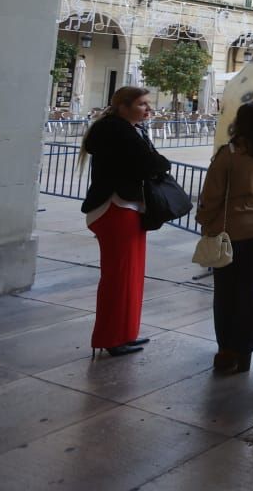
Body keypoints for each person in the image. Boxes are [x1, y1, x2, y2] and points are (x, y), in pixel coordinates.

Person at [79, 85, 170, 357]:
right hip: (116, 207)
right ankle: (111, 336)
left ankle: (124, 333)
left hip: (125, 207)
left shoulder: (121, 129)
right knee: (119, 278)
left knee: (129, 275)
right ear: (123, 106)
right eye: (142, 104)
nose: (148, 109)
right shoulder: (117, 130)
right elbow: (154, 163)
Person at [197, 100, 253, 374]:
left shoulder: (229, 154)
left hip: (230, 225)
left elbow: (211, 194)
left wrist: (205, 221)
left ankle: (226, 350)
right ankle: (246, 351)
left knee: (226, 291)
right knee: (252, 291)